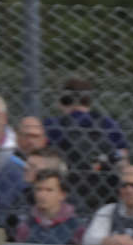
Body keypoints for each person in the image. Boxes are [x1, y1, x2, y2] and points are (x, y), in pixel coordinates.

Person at [49, 77, 128, 210]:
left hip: (66, 194)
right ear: (89, 101)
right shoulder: (108, 124)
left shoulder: (55, 125)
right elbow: (123, 160)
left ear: (63, 101)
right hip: (106, 193)